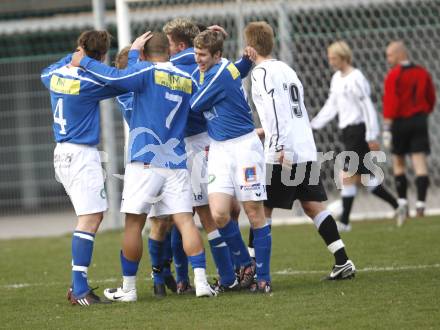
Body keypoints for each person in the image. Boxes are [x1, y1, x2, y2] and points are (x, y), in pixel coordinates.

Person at [71, 31, 217, 300]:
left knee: (133, 225)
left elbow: (115, 77)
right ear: (169, 52)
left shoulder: (146, 72)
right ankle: (202, 283)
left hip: (146, 160)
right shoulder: (186, 78)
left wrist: (87, 61)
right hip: (176, 160)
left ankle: (129, 289)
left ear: (147, 54)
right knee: (186, 222)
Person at [244, 21, 355, 280]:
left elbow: (274, 108)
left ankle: (249, 270)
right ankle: (342, 260)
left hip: (283, 150)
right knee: (312, 205)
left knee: (261, 208)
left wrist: (279, 144)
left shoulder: (260, 72)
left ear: (250, 46)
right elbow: (292, 110)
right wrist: (267, 132)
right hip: (303, 146)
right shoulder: (287, 69)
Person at [159, 18, 255, 292]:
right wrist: (213, 37)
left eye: (169, 45)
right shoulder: (209, 61)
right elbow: (234, 69)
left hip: (195, 144)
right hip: (212, 141)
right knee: (216, 211)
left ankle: (227, 274)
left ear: (180, 44)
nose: (168, 50)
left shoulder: (178, 62)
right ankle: (226, 272)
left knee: (199, 214)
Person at [41, 30, 127, 306]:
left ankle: (78, 285)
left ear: (79, 48)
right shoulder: (91, 82)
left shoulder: (56, 75)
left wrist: (73, 56)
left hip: (63, 152)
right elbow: (121, 82)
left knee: (92, 216)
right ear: (102, 55)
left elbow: (45, 71)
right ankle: (79, 290)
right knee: (90, 218)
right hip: (81, 153)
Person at [191, 30, 272, 293]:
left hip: (244, 147)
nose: (197, 59)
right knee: (219, 214)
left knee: (253, 212)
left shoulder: (219, 74)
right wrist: (246, 61)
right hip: (219, 149)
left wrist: (243, 63)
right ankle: (245, 264)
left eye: (202, 55)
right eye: (196, 53)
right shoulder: (226, 67)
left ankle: (264, 277)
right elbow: (241, 67)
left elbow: (195, 104)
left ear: (217, 55)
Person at [310, 40, 402, 230]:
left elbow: (367, 107)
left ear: (343, 57)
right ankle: (397, 205)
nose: (331, 61)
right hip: (348, 132)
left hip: (359, 131)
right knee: (364, 180)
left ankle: (344, 222)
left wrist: (371, 135)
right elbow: (331, 105)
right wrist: (314, 124)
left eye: (333, 58)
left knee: (347, 175)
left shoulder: (356, 77)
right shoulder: (336, 79)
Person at [114, 45, 177, 296]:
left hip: (163, 156)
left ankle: (167, 274)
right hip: (145, 158)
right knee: (152, 222)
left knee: (168, 220)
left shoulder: (146, 85)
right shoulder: (127, 92)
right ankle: (157, 276)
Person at [383, 40, 436, 218]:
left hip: (400, 122)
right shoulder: (422, 72)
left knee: (399, 162)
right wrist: (422, 112)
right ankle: (421, 205)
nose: (387, 58)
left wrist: (387, 127)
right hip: (420, 120)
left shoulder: (394, 75)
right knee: (419, 162)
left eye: (390, 55)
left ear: (400, 54)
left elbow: (391, 102)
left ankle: (403, 204)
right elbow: (431, 97)